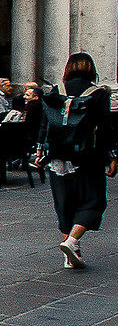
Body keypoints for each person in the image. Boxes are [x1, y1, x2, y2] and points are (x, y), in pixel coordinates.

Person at [44, 52, 115, 269]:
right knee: (94, 200)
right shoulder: (99, 94)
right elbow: (104, 129)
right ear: (90, 69)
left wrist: (39, 151)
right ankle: (72, 241)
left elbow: (45, 123)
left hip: (57, 155)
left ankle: (71, 255)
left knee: (64, 202)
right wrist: (111, 156)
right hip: (87, 156)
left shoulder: (56, 91)